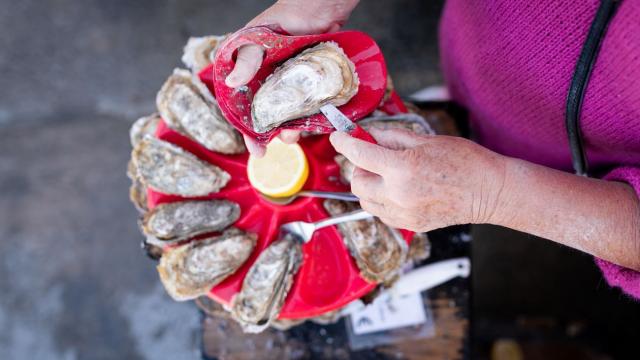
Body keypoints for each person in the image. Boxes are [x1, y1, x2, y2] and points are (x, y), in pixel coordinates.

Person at [225, 0, 640, 298]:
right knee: (459, 103)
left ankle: (465, 135)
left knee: (474, 137)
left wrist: (493, 194)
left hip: (574, 156)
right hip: (480, 40)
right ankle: (461, 114)